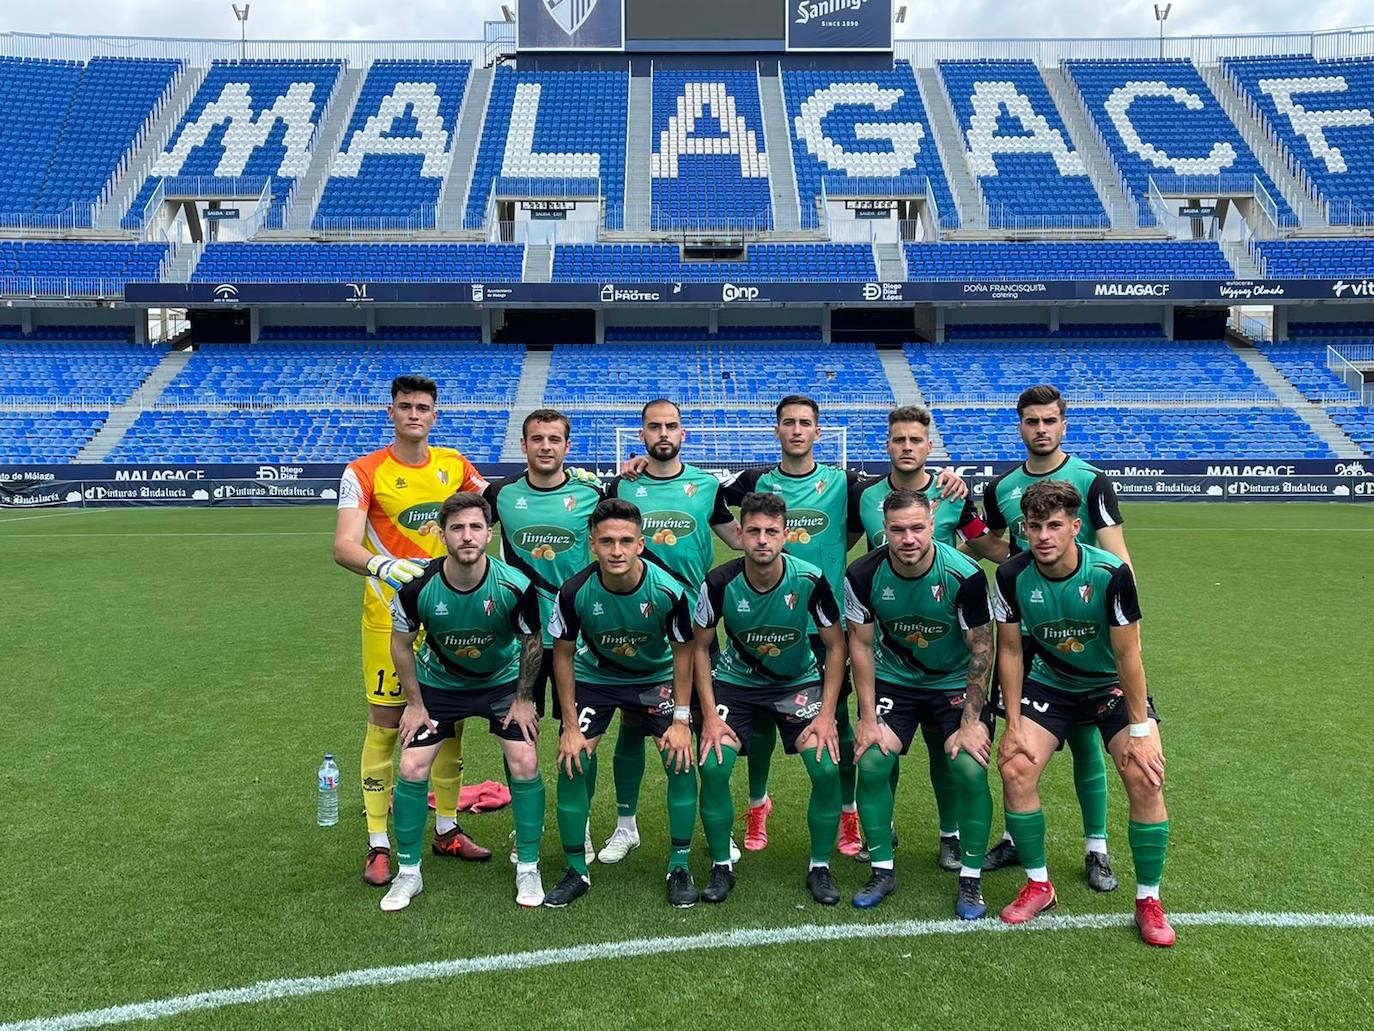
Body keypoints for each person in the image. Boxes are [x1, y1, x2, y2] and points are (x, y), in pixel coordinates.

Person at [992, 481, 1173, 947]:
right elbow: (1009, 651)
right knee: (1015, 767)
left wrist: (1140, 729)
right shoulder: (1011, 575)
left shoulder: (1111, 573)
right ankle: (1038, 884)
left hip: (1109, 686)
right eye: (1035, 527)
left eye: (1055, 526)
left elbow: (1129, 656)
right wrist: (1012, 725)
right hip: (1051, 684)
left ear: (1076, 527)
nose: (1044, 536)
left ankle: (1148, 900)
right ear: (1024, 529)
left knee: (1145, 775)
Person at [333, 374, 491, 889]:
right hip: (388, 619)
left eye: (423, 406)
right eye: (405, 406)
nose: (414, 414)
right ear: (391, 412)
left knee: (450, 724)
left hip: (450, 618)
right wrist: (384, 566)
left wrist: (570, 482)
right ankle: (380, 842)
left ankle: (446, 828)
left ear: (435, 414)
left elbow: (503, 505)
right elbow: (344, 546)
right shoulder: (363, 472)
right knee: (385, 725)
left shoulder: (455, 465)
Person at [980, 384, 1132, 891]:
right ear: (1019, 426)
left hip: (1085, 628)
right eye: (1031, 421)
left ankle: (1097, 847)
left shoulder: (1090, 481)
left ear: (1063, 425)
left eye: (1049, 421)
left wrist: (1114, 620)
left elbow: (1117, 557)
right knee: (1017, 742)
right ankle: (1013, 836)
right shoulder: (1001, 487)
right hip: (1026, 631)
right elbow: (994, 543)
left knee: (1089, 740)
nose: (1040, 430)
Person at [381, 492, 546, 911]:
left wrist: (525, 698)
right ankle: (408, 874)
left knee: (524, 759)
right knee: (412, 765)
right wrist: (415, 704)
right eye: (457, 528)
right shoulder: (417, 587)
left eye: (475, 527)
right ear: (442, 535)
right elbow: (400, 646)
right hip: (439, 684)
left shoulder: (516, 584)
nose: (467, 536)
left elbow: (533, 640)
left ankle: (528, 866)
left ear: (489, 534)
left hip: (502, 681)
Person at [850, 404, 998, 870]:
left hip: (949, 644)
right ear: (888, 444)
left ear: (928, 446)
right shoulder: (863, 495)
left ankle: (950, 835)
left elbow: (983, 542)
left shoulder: (952, 493)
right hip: (889, 642)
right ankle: (882, 831)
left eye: (916, 440)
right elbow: (840, 542)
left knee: (946, 750)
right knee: (878, 754)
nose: (907, 447)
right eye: (899, 440)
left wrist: (1037, 554)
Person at [599, 399, 740, 865]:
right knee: (628, 724)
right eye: (654, 426)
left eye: (672, 426)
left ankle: (717, 826)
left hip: (696, 626)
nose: (663, 433)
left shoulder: (705, 485)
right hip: (635, 624)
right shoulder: (624, 484)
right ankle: (625, 827)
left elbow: (737, 536)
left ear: (684, 433)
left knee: (705, 724)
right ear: (641, 434)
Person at [692, 491, 846, 905]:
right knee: (713, 765)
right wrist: (708, 715)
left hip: (796, 684)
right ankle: (722, 865)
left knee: (827, 768)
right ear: (739, 534)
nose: (762, 540)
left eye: (772, 532)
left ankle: (820, 866)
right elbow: (698, 648)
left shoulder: (810, 579)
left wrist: (827, 714)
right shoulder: (719, 582)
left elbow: (836, 646)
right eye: (754, 531)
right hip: (735, 685)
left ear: (786, 535)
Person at [544, 498, 699, 908]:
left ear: (641, 544)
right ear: (592, 544)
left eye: (626, 541)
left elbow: (684, 653)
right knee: (573, 761)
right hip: (597, 677)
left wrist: (681, 720)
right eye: (607, 541)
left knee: (680, 757)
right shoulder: (574, 591)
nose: (616, 551)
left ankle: (679, 865)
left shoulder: (668, 591)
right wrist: (570, 727)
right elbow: (562, 655)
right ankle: (576, 869)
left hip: (655, 678)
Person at [485, 408, 605, 862]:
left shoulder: (591, 494)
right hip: (523, 640)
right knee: (519, 734)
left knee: (582, 736)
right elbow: (460, 523)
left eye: (555, 439)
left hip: (579, 639)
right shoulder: (501, 494)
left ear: (567, 446)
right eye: (537, 438)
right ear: (524, 444)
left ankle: (583, 823)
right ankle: (526, 823)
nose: (546, 446)